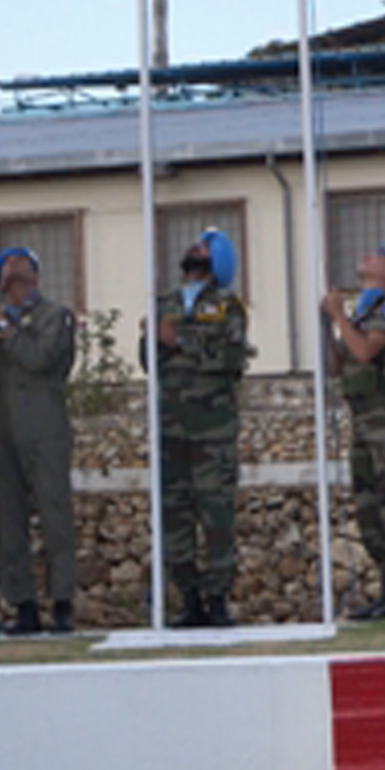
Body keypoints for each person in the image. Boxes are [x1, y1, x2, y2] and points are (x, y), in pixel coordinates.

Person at [0, 246, 78, 635]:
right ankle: (22, 603)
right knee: (9, 519)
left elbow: (40, 358)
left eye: (22, 274)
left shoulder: (54, 315)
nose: (15, 282)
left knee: (55, 514)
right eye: (8, 276)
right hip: (3, 425)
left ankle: (62, 602)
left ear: (36, 278)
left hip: (43, 425)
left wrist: (5, 329)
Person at [151, 229, 250, 628]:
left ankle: (218, 598)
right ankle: (188, 598)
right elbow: (150, 360)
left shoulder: (227, 306)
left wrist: (180, 341)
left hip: (213, 430)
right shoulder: (164, 303)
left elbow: (231, 357)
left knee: (216, 514)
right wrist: (154, 339)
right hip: (171, 427)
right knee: (174, 514)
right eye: (195, 243)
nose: (195, 247)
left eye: (206, 246)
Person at [324, 244, 385, 620]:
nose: (366, 257)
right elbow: (337, 365)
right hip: (362, 418)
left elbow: (365, 351)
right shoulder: (361, 313)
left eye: (378, 257)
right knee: (368, 505)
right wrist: (331, 325)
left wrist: (339, 316)